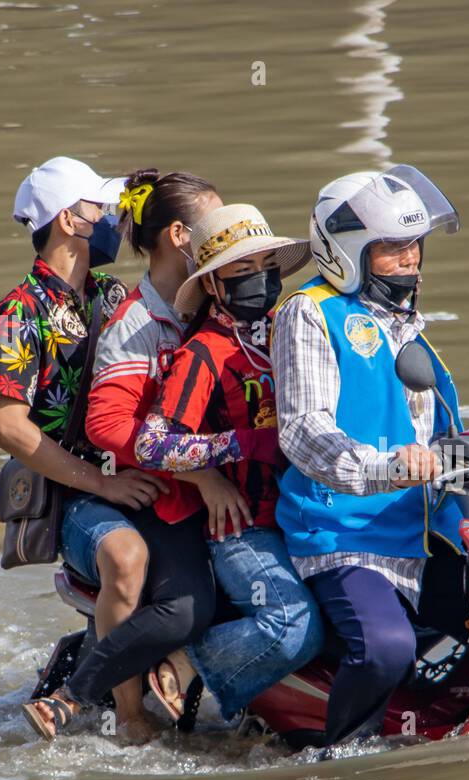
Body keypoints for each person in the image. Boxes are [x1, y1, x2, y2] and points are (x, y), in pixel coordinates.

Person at [272, 165, 469, 748]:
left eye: (415, 244)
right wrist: (382, 467)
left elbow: (437, 430)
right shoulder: (309, 312)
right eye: (391, 248)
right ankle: (340, 767)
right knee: (388, 649)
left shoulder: (408, 326)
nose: (410, 258)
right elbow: (304, 431)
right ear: (348, 251)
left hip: (420, 526)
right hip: (342, 531)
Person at [31, 169, 229, 736]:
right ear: (178, 235)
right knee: (180, 599)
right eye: (211, 225)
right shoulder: (130, 319)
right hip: (128, 490)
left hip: (186, 484)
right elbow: (104, 426)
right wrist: (200, 475)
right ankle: (122, 711)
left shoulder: (213, 305)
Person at [0, 156, 169, 742]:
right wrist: (103, 484)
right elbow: (8, 427)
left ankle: (102, 660)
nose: (113, 219)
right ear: (70, 221)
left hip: (133, 474)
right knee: (127, 558)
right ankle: (133, 723)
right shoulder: (16, 312)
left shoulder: (114, 295)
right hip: (75, 496)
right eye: (100, 208)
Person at [133, 203, 325, 726]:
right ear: (213, 286)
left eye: (265, 267)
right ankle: (184, 665)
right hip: (247, 528)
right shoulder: (203, 354)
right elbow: (154, 446)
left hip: (315, 514)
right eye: (241, 272)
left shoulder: (302, 331)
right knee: (294, 626)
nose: (258, 281)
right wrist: (244, 444)